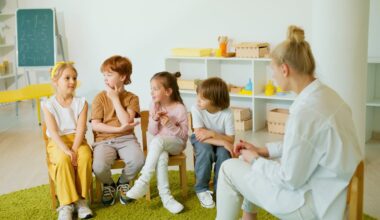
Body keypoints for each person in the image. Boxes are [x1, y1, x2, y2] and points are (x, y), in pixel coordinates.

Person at [216, 26, 363, 220]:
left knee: (229, 168)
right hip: (333, 192)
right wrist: (263, 151)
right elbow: (304, 145)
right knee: (258, 164)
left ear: (284, 69)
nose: (273, 77)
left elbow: (289, 179)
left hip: (312, 205)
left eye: (273, 71)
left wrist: (254, 159)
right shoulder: (328, 96)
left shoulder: (304, 113)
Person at [126, 71, 188, 214]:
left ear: (168, 91)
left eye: (155, 89)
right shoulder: (154, 105)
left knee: (158, 141)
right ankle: (166, 198)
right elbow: (152, 132)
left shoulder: (179, 108)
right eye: (151, 88)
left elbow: (184, 135)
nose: (151, 92)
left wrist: (170, 124)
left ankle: (143, 181)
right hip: (161, 145)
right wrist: (154, 119)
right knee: (161, 156)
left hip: (177, 144)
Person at [42, 62, 93, 220]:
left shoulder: (81, 103)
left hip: (77, 140)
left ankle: (82, 202)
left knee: (84, 157)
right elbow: (54, 133)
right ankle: (66, 204)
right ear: (56, 81)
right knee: (64, 160)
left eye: (74, 78)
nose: (72, 81)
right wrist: (67, 150)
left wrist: (75, 149)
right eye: (67, 78)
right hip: (58, 143)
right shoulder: (48, 104)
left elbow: (80, 129)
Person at [91, 55, 144, 206]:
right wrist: (118, 129)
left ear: (122, 76)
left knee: (138, 160)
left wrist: (115, 98)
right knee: (99, 167)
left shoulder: (132, 98)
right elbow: (95, 125)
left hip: (126, 139)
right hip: (103, 141)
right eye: (104, 75)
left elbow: (126, 121)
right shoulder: (99, 98)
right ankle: (109, 184)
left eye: (109, 75)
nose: (105, 79)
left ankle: (123, 181)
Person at [190, 77, 235, 209]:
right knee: (205, 150)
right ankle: (201, 189)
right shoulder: (196, 108)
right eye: (198, 96)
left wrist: (213, 134)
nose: (198, 101)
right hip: (201, 140)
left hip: (217, 139)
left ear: (215, 100)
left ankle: (220, 189)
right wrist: (222, 141)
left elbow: (230, 140)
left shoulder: (227, 113)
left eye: (203, 98)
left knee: (224, 153)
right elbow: (199, 135)